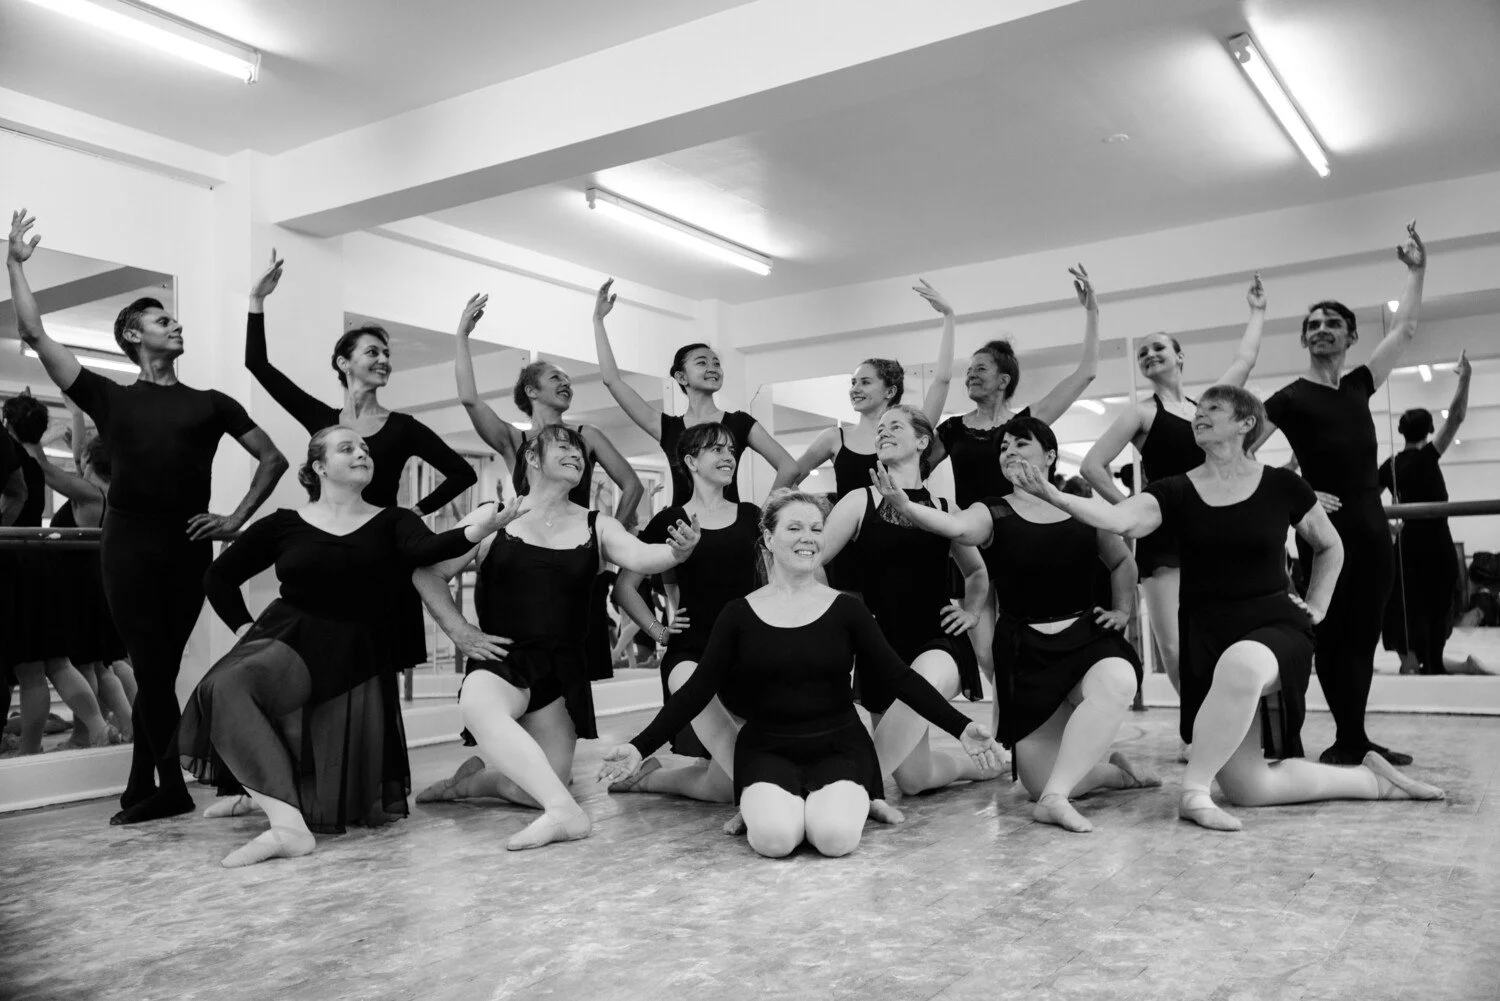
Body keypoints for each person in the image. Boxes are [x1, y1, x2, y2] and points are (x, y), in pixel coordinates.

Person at [1010, 385, 1444, 831]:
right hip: (1207, 634)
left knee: (1241, 664)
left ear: (1246, 423)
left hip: (1274, 625)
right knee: (1248, 788)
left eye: (1213, 409)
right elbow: (1122, 520)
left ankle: (1193, 792)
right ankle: (1371, 781)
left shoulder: (1281, 483)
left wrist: (1317, 605)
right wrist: (1055, 496)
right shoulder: (1175, 490)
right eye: (1199, 411)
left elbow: (1330, 545)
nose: (1200, 416)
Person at [8, 208, 288, 824]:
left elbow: (273, 458)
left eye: (174, 317)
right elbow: (35, 335)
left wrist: (235, 518)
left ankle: (153, 787)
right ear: (135, 336)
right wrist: (14, 265)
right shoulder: (109, 397)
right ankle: (168, 787)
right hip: (127, 546)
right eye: (163, 320)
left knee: (159, 668)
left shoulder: (211, 403)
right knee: (151, 663)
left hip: (187, 545)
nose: (176, 324)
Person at [599, 490, 1001, 859]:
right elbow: (696, 691)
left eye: (815, 529)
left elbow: (901, 678)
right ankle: (781, 806)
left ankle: (845, 800)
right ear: (769, 539)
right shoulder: (738, 614)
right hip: (766, 751)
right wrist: (639, 746)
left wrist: (962, 727)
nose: (807, 537)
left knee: (835, 840)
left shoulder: (847, 610)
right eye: (794, 528)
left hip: (840, 750)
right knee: (775, 841)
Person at [180, 427, 507, 867]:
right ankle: (286, 826)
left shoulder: (394, 520)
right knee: (225, 688)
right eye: (347, 448)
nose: (362, 454)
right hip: (290, 636)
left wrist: (476, 529)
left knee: (338, 797)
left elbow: (428, 548)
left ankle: (263, 801)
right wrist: (242, 627)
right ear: (318, 466)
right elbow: (218, 577)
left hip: (356, 650)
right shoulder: (283, 524)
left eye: (365, 449)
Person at [413, 425, 701, 850]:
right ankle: (565, 816)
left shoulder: (596, 524)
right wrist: (461, 631)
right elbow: (428, 571)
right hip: (502, 661)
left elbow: (643, 556)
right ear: (532, 457)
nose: (576, 455)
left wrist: (677, 552)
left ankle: (472, 784)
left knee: (541, 785)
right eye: (564, 446)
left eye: (580, 451)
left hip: (560, 673)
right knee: (477, 702)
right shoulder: (495, 514)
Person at [874, 416, 1156, 832]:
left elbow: (1122, 562)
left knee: (1116, 680)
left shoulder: (1079, 509)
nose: (1008, 452)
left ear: (1051, 455)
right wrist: (906, 506)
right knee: (1035, 782)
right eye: (1003, 447)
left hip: (1086, 641)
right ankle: (1115, 774)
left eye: (1020, 444)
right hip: (1027, 653)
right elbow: (955, 527)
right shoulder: (991, 511)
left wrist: (1122, 611)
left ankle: (1056, 800)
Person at [244, 252, 478, 674]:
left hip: (382, 558)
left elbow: (464, 473)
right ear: (343, 363)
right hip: (329, 554)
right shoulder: (321, 421)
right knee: (325, 665)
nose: (384, 360)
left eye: (387, 354)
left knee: (378, 671)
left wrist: (416, 510)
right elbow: (257, 365)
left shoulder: (403, 428)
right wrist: (256, 302)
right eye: (373, 352)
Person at [1257, 222, 1429, 766]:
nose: (1322, 330)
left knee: (1363, 634)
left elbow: (1403, 330)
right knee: (1330, 631)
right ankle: (1345, 739)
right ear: (1304, 339)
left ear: (1351, 336)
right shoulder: (1288, 398)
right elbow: (1242, 457)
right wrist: (1298, 493)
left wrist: (1417, 271)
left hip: (1373, 525)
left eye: (1333, 323)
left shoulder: (1358, 386)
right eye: (1313, 325)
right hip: (1326, 530)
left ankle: (1354, 735)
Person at [1081, 276, 1269, 756]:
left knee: (1224, 634)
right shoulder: (1140, 414)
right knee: (1176, 646)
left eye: (1158, 348)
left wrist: (1257, 313)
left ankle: (1224, 727)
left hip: (1215, 533)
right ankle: (1198, 732)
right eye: (1143, 352)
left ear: (1180, 357)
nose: (1150, 355)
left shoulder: (1208, 407)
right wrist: (1135, 504)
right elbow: (1091, 465)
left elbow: (1245, 361)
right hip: (1167, 541)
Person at [814, 405, 999, 798]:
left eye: (894, 426)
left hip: (938, 641)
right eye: (879, 428)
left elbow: (978, 573)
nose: (882, 432)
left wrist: (971, 610)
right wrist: (827, 610)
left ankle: (850, 791)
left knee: (922, 683)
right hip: (881, 649)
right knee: (916, 779)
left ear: (922, 441)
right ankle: (986, 764)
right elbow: (813, 561)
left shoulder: (945, 509)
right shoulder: (859, 501)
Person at [609, 422, 760, 803]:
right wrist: (659, 632)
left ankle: (648, 779)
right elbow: (625, 587)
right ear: (691, 461)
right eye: (717, 450)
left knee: (724, 787)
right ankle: (646, 777)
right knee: (736, 785)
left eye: (731, 450)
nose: (729, 456)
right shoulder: (669, 520)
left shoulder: (751, 516)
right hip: (691, 651)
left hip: (748, 653)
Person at [591, 279, 797, 505]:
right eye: (702, 363)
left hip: (731, 530)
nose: (712, 368)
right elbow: (612, 381)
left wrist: (762, 519)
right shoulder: (668, 428)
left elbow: (789, 466)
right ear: (681, 377)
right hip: (681, 528)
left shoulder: (739, 423)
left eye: (716, 363)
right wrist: (598, 321)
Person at [925, 267, 1101, 509]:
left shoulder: (1029, 422)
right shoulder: (952, 429)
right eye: (968, 371)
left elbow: (1086, 373)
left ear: (1003, 381)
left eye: (981, 369)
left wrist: (1093, 312)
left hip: (1021, 530)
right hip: (971, 536)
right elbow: (917, 470)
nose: (970, 376)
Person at [3, 392, 114, 753]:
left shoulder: (20, 464)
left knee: (33, 669)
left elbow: (56, 471)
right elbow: (68, 464)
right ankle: (96, 729)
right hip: (44, 566)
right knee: (61, 663)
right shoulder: (38, 466)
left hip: (23, 567)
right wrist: (76, 416)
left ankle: (34, 746)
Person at [21, 406, 132, 744]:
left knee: (89, 665)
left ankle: (102, 731)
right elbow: (76, 456)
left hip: (80, 584)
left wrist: (29, 435)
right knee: (101, 664)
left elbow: (43, 469)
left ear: (91, 462)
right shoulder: (108, 491)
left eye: (82, 457)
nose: (78, 459)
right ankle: (121, 729)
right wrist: (76, 414)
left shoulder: (89, 495)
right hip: (97, 580)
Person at [791, 281, 957, 498]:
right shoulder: (833, 438)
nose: (855, 389)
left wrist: (948, 316)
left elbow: (941, 380)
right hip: (852, 530)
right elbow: (790, 478)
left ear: (889, 391)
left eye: (865, 382)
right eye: (853, 382)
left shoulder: (911, 430)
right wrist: (821, 509)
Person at [1379, 352, 1472, 675]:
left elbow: (1370, 503)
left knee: (1407, 604)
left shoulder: (1390, 465)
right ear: (1429, 429)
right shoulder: (1429, 456)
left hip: (1407, 543)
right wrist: (1465, 378)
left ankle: (1413, 659)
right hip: (1435, 542)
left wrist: (1392, 530)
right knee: (1437, 603)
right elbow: (1457, 416)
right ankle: (1431, 660)